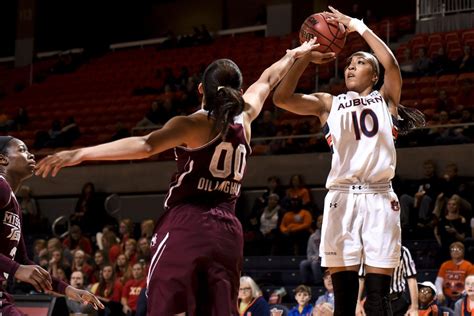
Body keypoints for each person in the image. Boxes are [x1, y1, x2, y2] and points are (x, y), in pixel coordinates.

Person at [35, 39, 335, 315]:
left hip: (188, 223)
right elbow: (267, 80)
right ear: (237, 90)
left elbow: (145, 145)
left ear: (201, 90)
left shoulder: (194, 124)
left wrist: (78, 154)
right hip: (229, 231)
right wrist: (297, 54)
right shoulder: (246, 116)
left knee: (163, 307)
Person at [273, 6, 424, 316]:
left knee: (378, 295)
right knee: (344, 297)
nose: (351, 67)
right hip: (341, 198)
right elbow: (281, 98)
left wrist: (358, 26)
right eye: (349, 63)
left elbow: (392, 63)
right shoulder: (330, 104)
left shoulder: (386, 100)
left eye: (360, 62)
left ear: (375, 74)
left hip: (380, 196)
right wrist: (304, 56)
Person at [0, 136, 103, 315]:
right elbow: (20, 267)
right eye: (22, 150)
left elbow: (23, 261)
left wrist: (68, 290)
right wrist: (17, 270)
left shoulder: (13, 201)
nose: (31, 155)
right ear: (2, 159)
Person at [358, 245, 419, 316]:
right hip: (375, 300)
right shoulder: (368, 251)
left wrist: (414, 307)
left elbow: (411, 278)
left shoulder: (403, 251)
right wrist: (357, 303)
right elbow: (361, 278)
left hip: (397, 301)